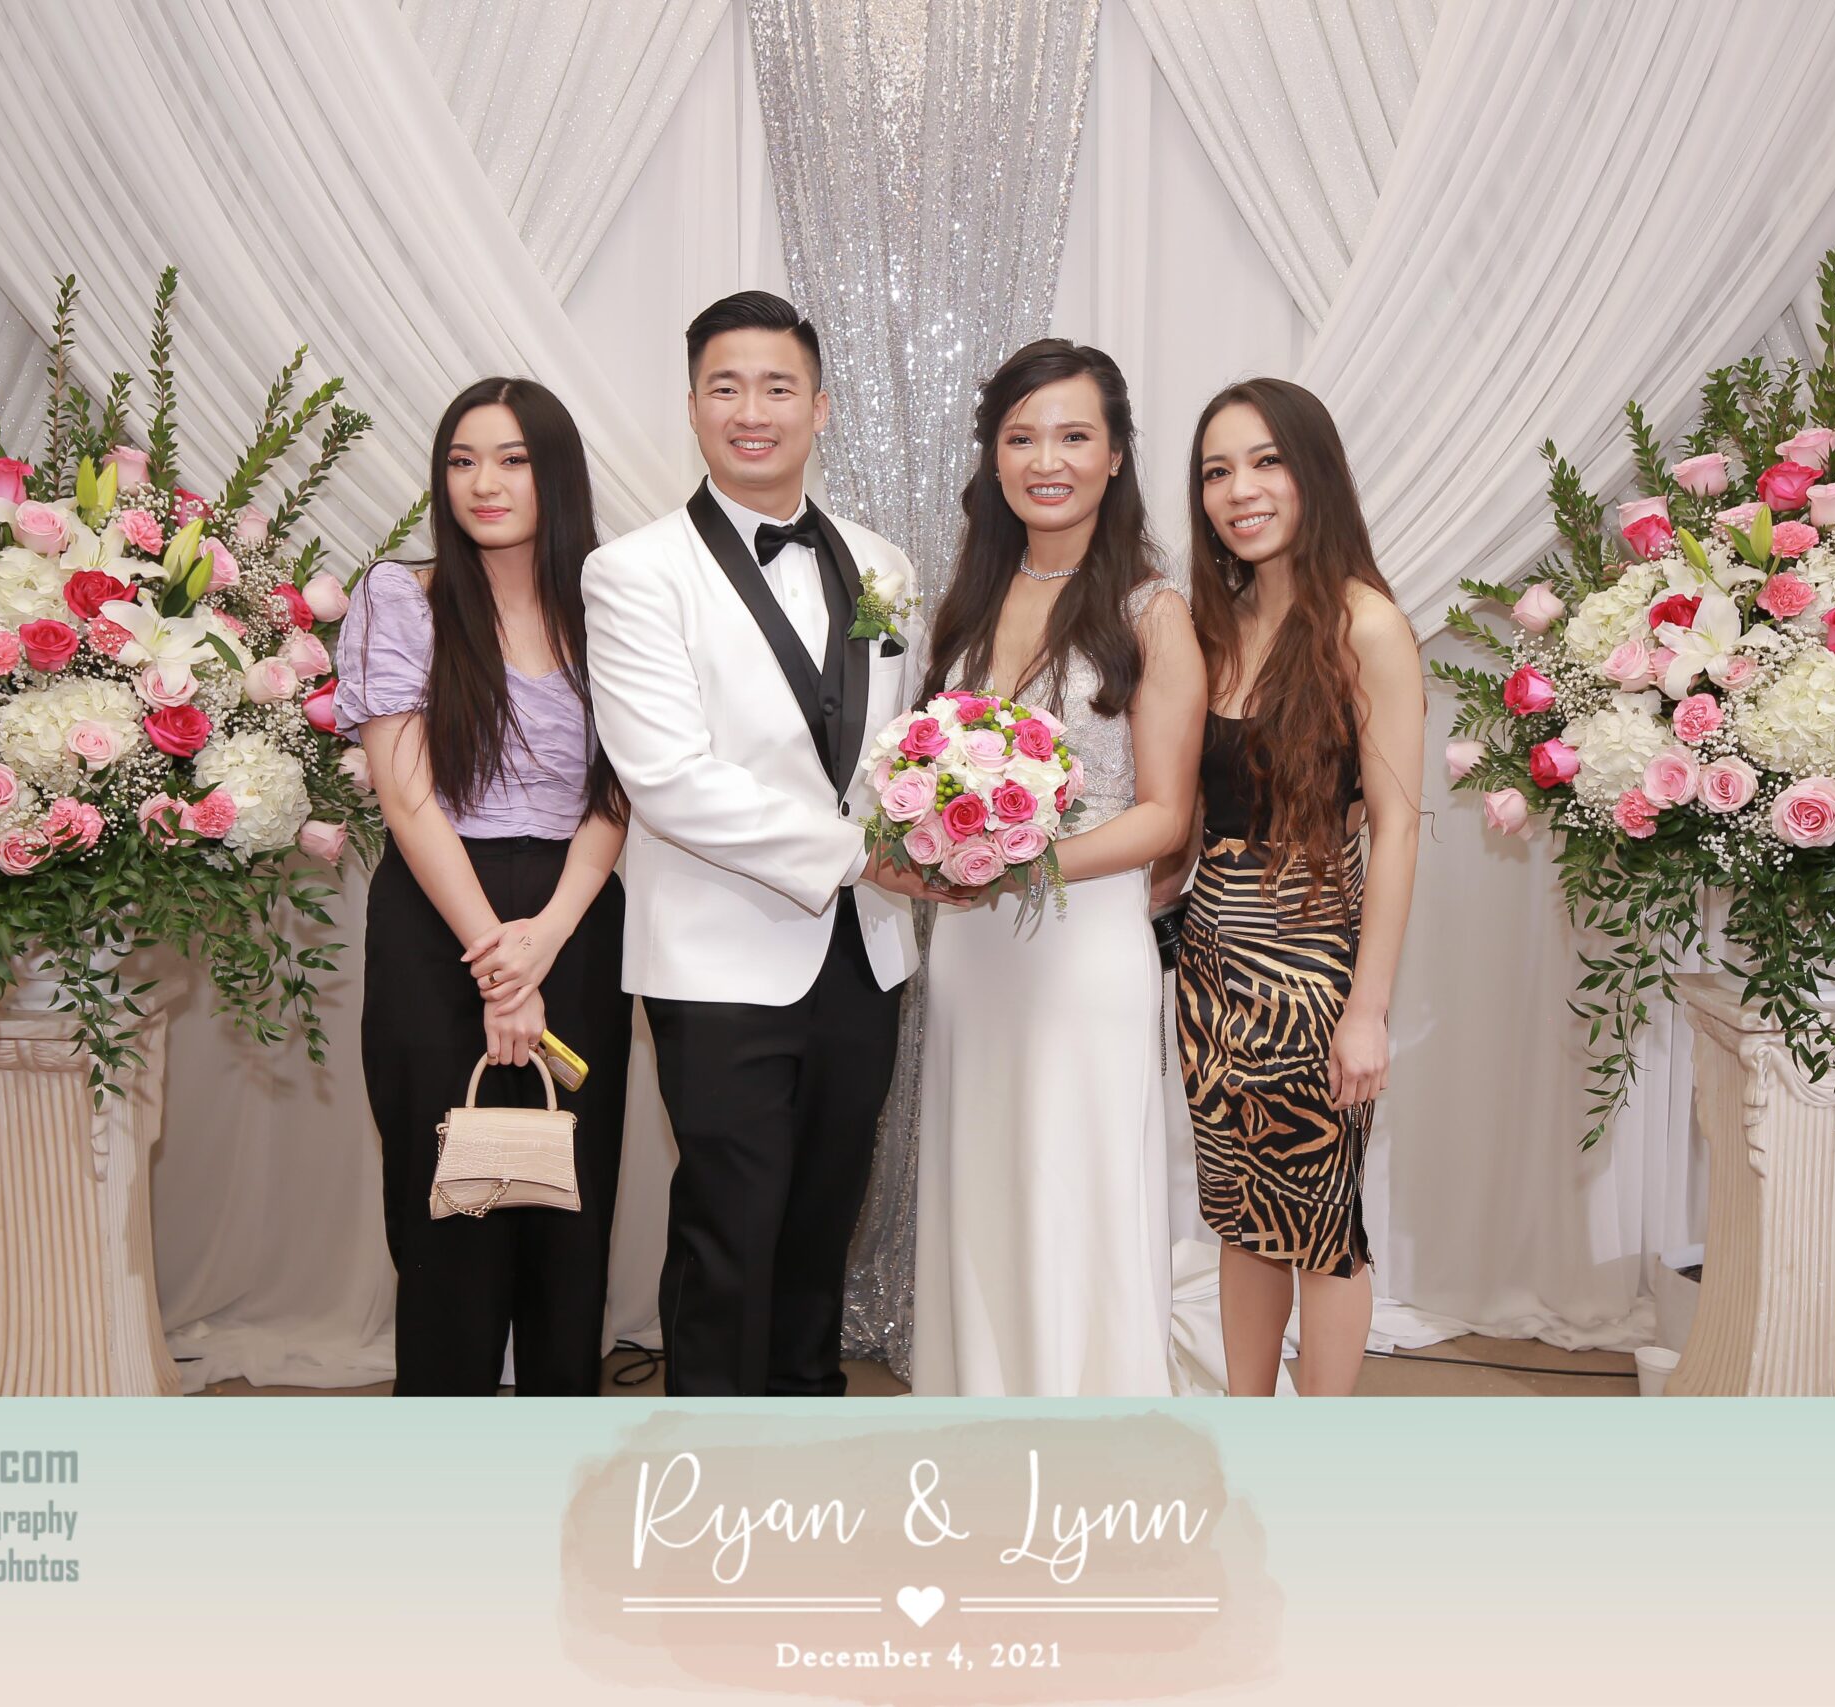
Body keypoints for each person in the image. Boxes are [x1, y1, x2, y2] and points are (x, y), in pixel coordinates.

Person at [579, 290, 932, 1397]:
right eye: (725, 387)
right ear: (691, 406)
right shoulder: (633, 572)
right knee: (729, 1228)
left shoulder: (883, 565)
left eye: (778, 387)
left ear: (819, 407)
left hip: (864, 952)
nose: (752, 410)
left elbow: (897, 747)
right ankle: (710, 1463)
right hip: (716, 956)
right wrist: (856, 854)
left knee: (823, 1221)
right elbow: (669, 780)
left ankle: (807, 1431)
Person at [907, 339, 1206, 1397]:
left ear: (1115, 455)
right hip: (972, 950)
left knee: (1075, 1178)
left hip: (1084, 951)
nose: (1047, 460)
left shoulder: (1151, 611)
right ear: (993, 456)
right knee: (983, 1177)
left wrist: (1018, 867)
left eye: (1074, 436)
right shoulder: (968, 603)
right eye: (1022, 437)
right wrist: (922, 848)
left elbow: (1165, 815)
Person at [341, 375, 634, 1396]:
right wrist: (503, 970)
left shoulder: (612, 606)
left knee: (568, 1202)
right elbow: (406, 795)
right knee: (447, 1204)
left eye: (512, 459)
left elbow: (620, 791)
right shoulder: (402, 596)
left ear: (557, 474)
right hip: (437, 916)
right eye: (462, 461)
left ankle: (565, 1457)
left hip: (576, 916)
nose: (484, 482)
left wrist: (546, 935)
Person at [1169, 377, 1421, 1397]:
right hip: (1210, 972)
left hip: (1311, 968)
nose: (1240, 489)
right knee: (1241, 1216)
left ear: (1313, 471)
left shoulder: (1366, 625)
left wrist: (1367, 1010)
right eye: (1216, 471)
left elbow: (1397, 826)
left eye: (1266, 461)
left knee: (1322, 1226)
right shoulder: (1214, 623)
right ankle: (1244, 1430)